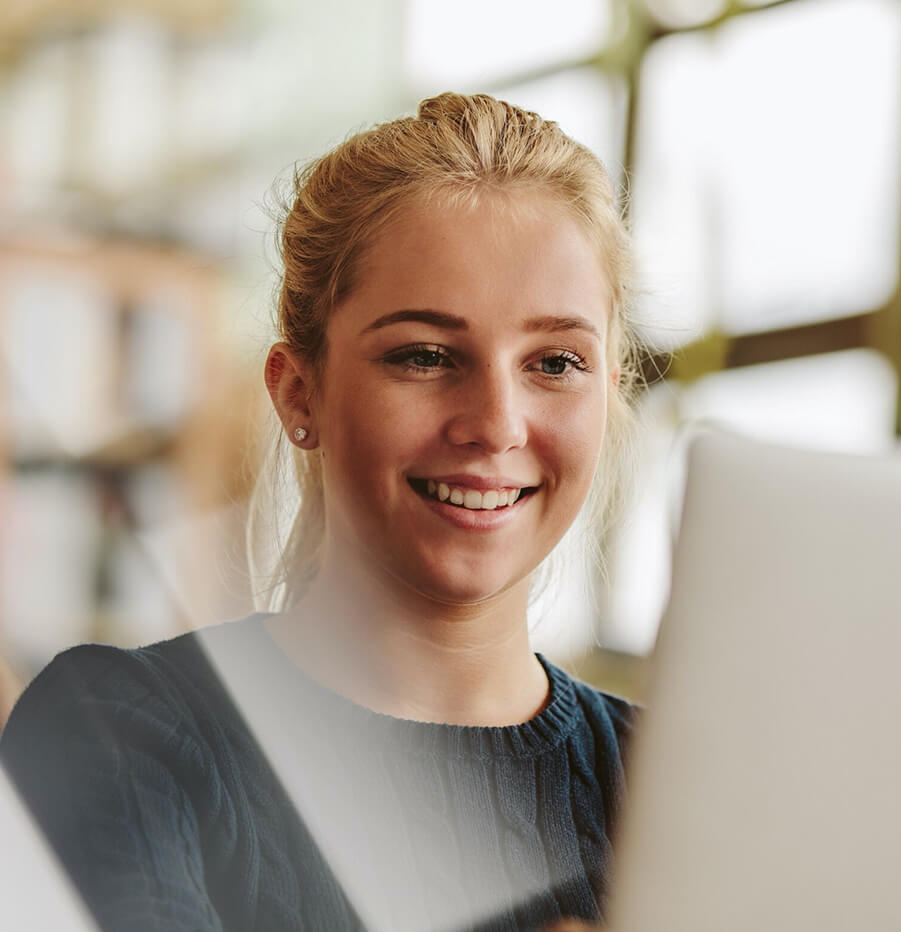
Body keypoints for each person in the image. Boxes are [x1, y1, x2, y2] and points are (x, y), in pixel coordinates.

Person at [0, 93, 640, 932]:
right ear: (299, 391)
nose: (496, 423)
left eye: (555, 362)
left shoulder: (673, 786)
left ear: (612, 393)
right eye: (424, 355)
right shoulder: (117, 735)